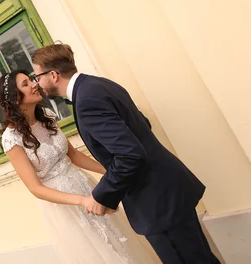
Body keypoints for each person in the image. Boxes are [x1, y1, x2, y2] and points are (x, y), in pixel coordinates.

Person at [31, 43, 219, 263]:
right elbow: (142, 124)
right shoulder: (99, 84)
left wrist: (101, 195)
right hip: (167, 188)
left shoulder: (87, 100)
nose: (38, 84)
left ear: (53, 75)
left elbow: (130, 154)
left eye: (37, 76)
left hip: (155, 198)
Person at [0, 70, 158, 263]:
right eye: (25, 84)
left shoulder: (47, 116)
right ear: (14, 98)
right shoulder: (11, 138)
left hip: (85, 185)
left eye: (32, 79)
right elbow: (36, 188)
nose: (34, 84)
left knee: (119, 241)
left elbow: (72, 155)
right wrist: (82, 201)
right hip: (64, 205)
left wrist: (110, 172)